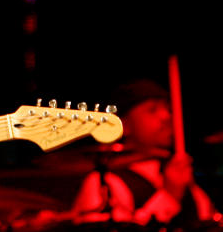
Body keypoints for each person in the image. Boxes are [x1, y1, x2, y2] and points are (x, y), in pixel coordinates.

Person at [70, 79, 214, 224]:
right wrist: (170, 196)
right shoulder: (104, 183)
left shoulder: (192, 190)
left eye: (169, 109)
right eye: (152, 110)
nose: (167, 117)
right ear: (124, 125)